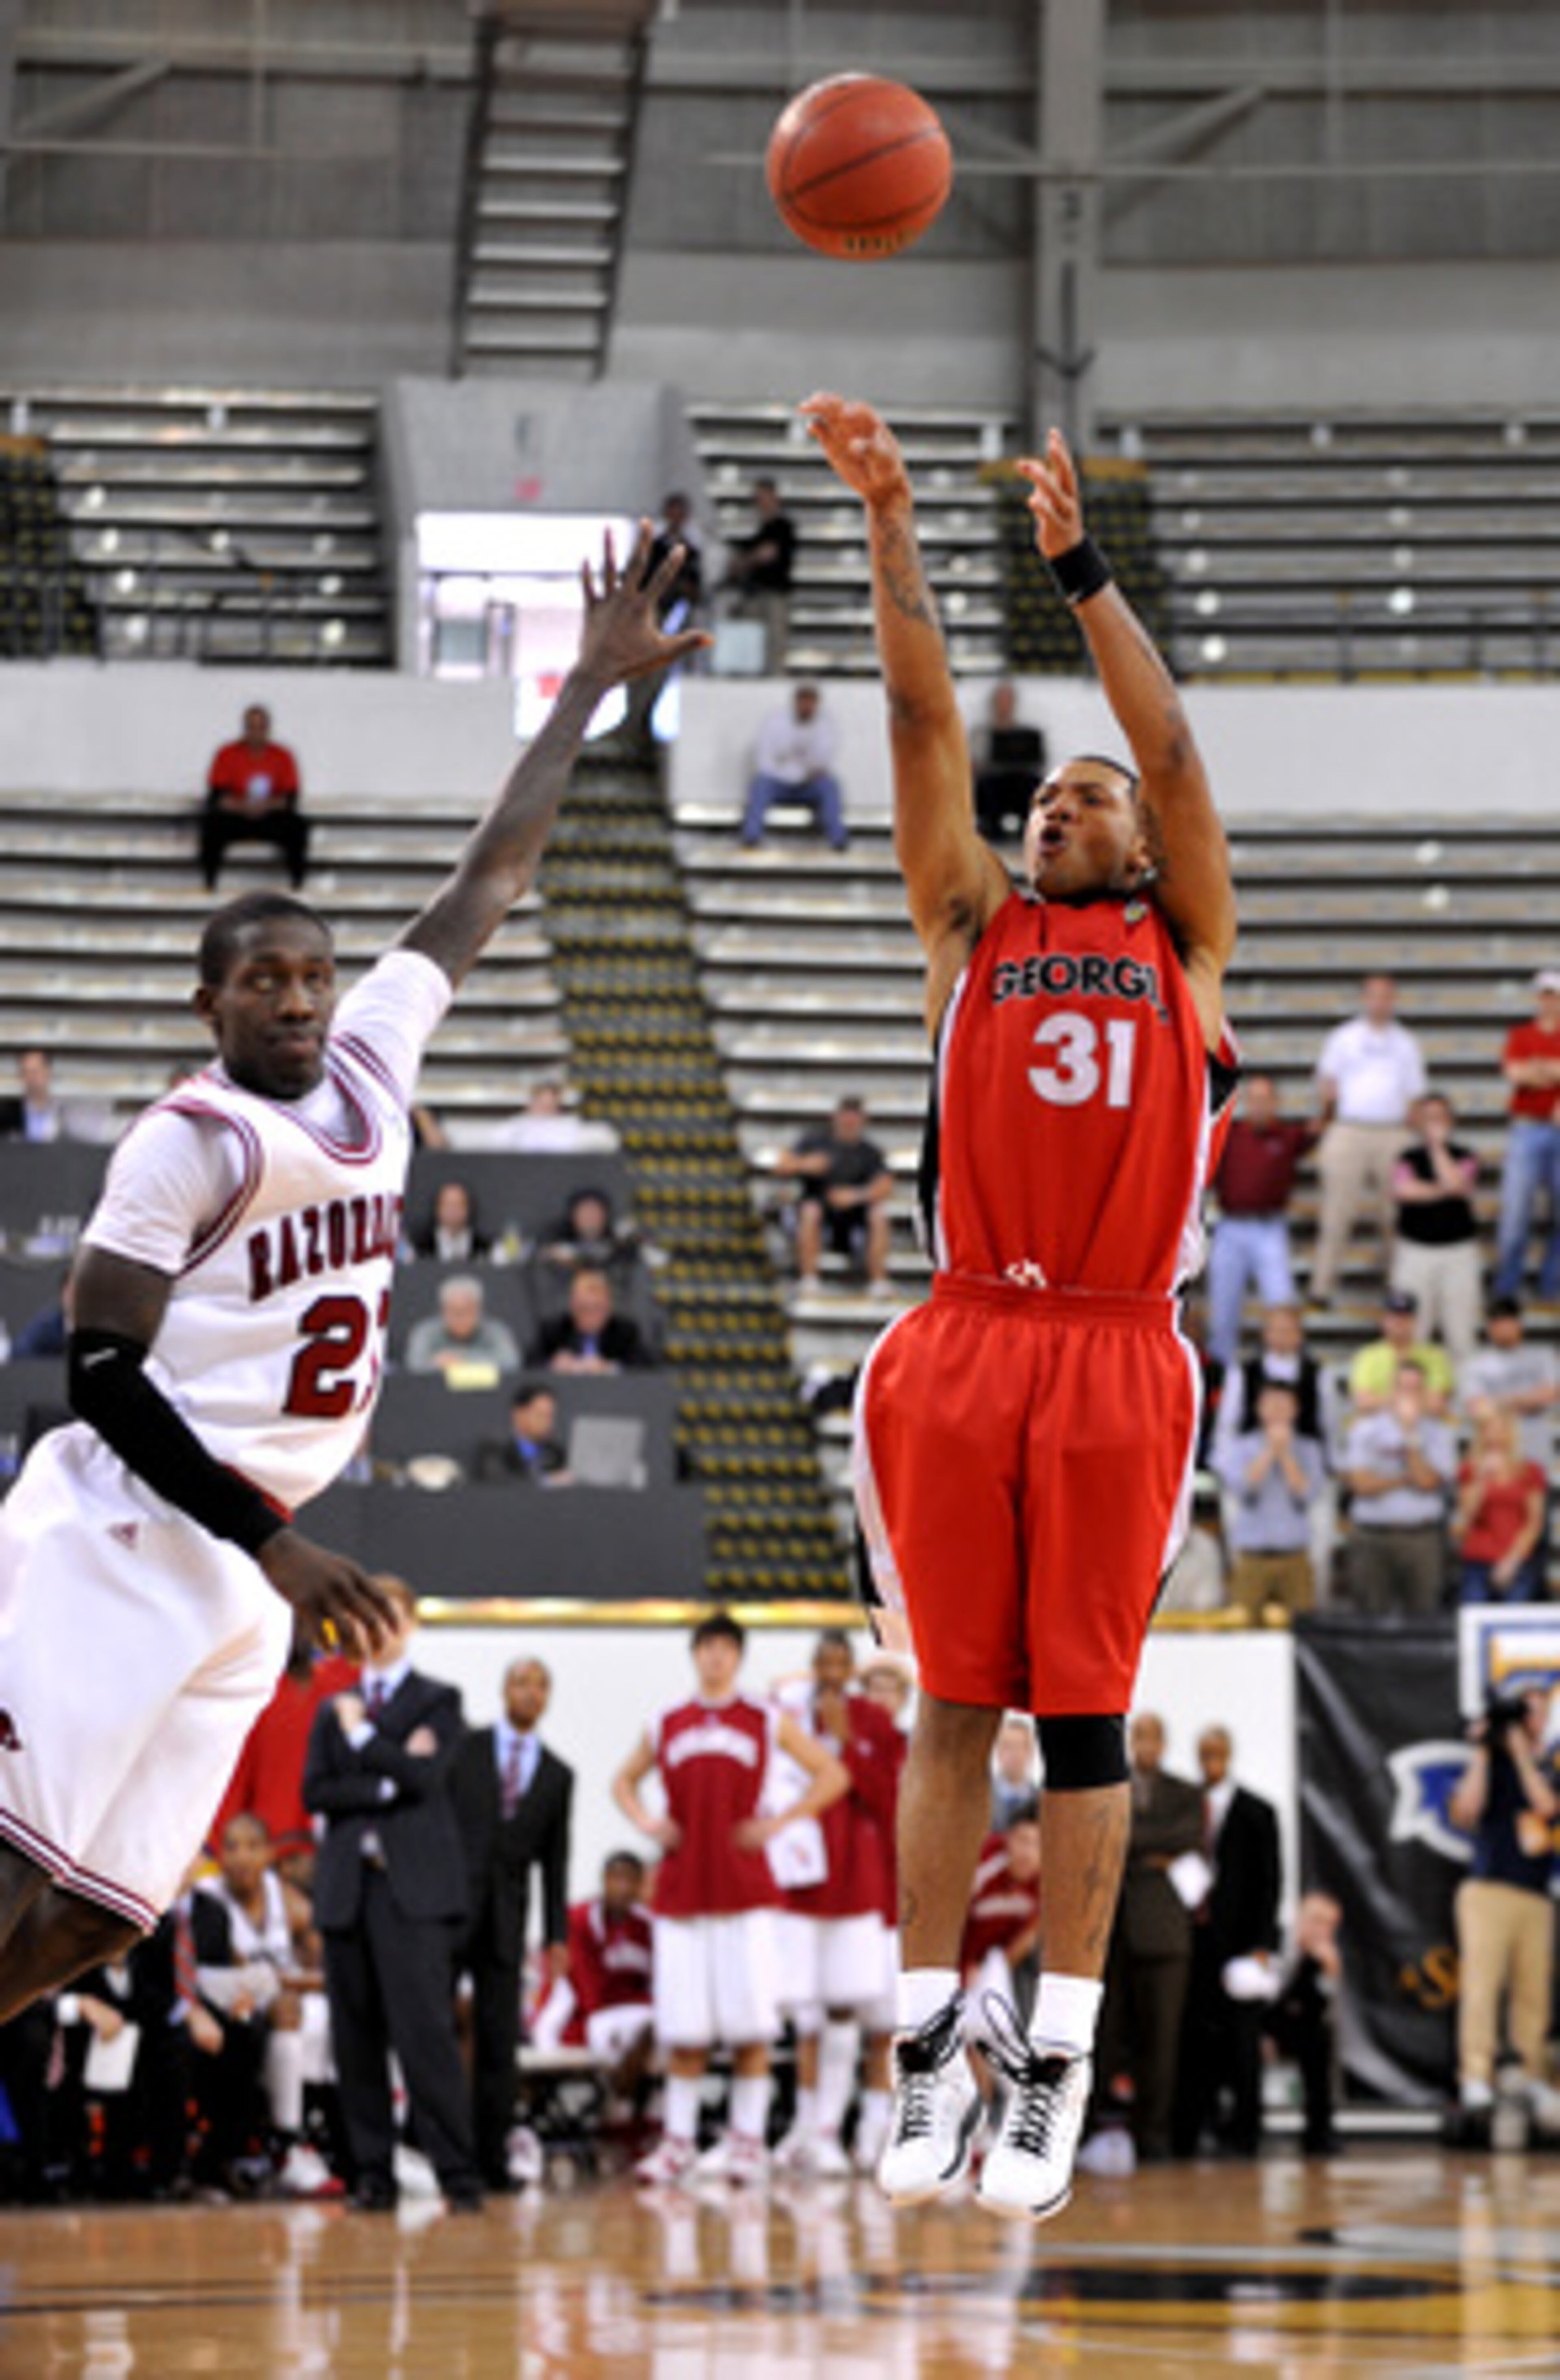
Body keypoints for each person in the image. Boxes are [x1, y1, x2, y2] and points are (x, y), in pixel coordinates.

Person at [0, 521, 703, 2027]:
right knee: (12, 1870)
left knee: (87, 1922)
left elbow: (494, 875)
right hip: (121, 1535)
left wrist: (581, 687)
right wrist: (279, 1545)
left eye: (315, 973)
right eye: (265, 979)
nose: (301, 996)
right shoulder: (186, 1142)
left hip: (246, 1569)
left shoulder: (375, 1062)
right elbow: (102, 1373)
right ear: (211, 1002)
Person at [808, 390, 1237, 2223]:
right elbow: (916, 714)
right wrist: (894, 521)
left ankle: (1050, 2064)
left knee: (1086, 1722)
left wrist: (1074, 568)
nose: (1058, 800)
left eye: (1090, 798)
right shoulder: (965, 927)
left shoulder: (1189, 946)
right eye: (1043, 792)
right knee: (950, 1709)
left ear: (1137, 849)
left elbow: (1175, 739)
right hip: (963, 1334)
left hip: (1121, 1348)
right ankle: (924, 2052)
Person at [611, 1611, 849, 2188]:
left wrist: (781, 1822)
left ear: (739, 1657)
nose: (716, 1656)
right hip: (684, 1887)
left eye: (725, 1647)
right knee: (685, 2029)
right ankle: (679, 2143)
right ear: (696, 1655)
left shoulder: (766, 1717)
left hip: (745, 1890)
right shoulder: (667, 1719)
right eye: (707, 1647)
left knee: (752, 2027)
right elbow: (623, 1780)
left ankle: (747, 2142)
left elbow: (832, 1774)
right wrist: (647, 1820)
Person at [303, 1575, 480, 2211]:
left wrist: (363, 1745)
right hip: (349, 1888)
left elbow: (428, 1777)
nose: (378, 1629)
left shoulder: (440, 1700)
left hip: (415, 1894)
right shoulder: (333, 1705)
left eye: (390, 1616)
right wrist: (385, 1780)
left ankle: (457, 2172)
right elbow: (317, 1793)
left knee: (424, 2034)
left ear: (410, 1625)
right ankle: (372, 2173)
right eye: (366, 1617)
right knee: (355, 2038)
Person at [769, 1631, 904, 2181]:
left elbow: (887, 1799)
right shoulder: (788, 1718)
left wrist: (849, 1743)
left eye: (839, 1662)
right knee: (805, 2015)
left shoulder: (875, 1722)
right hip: (801, 1883)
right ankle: (804, 2126)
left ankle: (849, 2128)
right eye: (821, 1662)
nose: (829, 1670)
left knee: (858, 2012)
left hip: (858, 1884)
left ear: (851, 1669)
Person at [448, 1655, 574, 2194]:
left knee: (501, 2043)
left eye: (540, 1684)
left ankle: (492, 2155)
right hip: (450, 1908)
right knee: (435, 2029)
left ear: (547, 1697)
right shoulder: (466, 1748)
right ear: (504, 1689)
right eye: (521, 1681)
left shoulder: (557, 1774)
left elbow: (557, 1861)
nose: (529, 1692)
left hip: (508, 1916)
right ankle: (437, 2147)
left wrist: (556, 1935)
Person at [193, 1812, 334, 2198]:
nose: (242, 1858)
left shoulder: (284, 1897)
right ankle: (286, 2141)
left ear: (271, 1854)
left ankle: (314, 2135)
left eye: (253, 1847)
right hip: (227, 1999)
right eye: (232, 1847)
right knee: (285, 2010)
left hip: (280, 1999)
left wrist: (304, 1977)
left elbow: (324, 1960)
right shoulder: (210, 1898)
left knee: (327, 2017)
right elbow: (239, 1971)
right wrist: (294, 1984)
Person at [1448, 1689, 1560, 2141]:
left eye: (1536, 1711)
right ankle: (1476, 2074)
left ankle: (1532, 2075)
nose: (1528, 1718)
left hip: (1535, 1893)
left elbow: (1546, 1806)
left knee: (1533, 1992)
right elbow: (1464, 1811)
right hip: (1487, 1889)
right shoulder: (1488, 1762)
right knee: (1481, 1984)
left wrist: (1519, 1754)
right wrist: (1481, 1751)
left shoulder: (1548, 1766)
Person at [1094, 1714, 1203, 2166]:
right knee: (1102, 2034)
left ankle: (1153, 2133)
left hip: (1163, 1932)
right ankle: (1094, 2127)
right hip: (1107, 1930)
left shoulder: (1185, 1793)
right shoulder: (1107, 1786)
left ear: (1164, 1743)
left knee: (1162, 2039)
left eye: (1153, 1737)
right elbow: (1101, 1835)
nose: (1145, 1745)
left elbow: (1188, 1834)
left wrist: (1127, 1843)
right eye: (1138, 1736)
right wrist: (1151, 1852)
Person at [1173, 1726, 1281, 2159]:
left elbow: (1271, 1881)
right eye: (1204, 1753)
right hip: (1197, 1940)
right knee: (1197, 2038)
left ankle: (1246, 2129)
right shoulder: (1186, 1807)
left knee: (1243, 2040)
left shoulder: (1258, 1811)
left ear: (1229, 1754)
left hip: (1241, 1943)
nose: (1210, 1760)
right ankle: (1200, 2125)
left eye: (1217, 1752)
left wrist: (1262, 1944)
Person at [1310, 975, 1426, 1305]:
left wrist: (1414, 1141)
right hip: (1350, 1128)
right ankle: (1322, 1286)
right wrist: (1327, 1118)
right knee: (1337, 1213)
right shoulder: (1344, 1038)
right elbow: (1327, 1084)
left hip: (1393, 1132)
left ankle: (1400, 1285)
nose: (1380, 1002)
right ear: (1364, 998)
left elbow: (1415, 1096)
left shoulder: (1406, 1043)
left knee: (1396, 1216)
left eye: (1387, 996)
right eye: (1374, 996)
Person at [210, 1628, 360, 1872]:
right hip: (268, 1852)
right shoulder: (255, 1683)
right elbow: (235, 1776)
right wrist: (228, 1850)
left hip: (343, 1846)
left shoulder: (354, 1678)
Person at [1205, 1077, 1318, 1367]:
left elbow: (1319, 1130)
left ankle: (1286, 1373)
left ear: (1276, 1104)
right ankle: (1220, 1380)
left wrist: (1329, 1103)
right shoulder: (1229, 1135)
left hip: (1270, 1228)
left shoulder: (1287, 1136)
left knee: (1281, 1301)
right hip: (1230, 1227)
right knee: (1223, 1309)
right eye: (1253, 1099)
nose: (1259, 1105)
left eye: (1265, 1099)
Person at [1341, 1359, 1457, 1614]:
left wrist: (1410, 1435)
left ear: (1425, 1394)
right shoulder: (1365, 1429)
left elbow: (1428, 1482)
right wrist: (1404, 1480)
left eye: (1415, 1389)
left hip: (1422, 1538)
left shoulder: (1440, 1432)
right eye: (1402, 1388)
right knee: (1371, 1614)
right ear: (1391, 1391)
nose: (1408, 1395)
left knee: (1424, 1615)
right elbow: (1360, 1484)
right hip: (1373, 1536)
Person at [1214, 1382, 1327, 1617]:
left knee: (1302, 1626)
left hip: (1295, 1554)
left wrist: (1285, 1454)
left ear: (1296, 1410)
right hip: (1252, 1556)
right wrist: (1269, 1451)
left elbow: (1307, 1494)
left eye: (1283, 1405)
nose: (1277, 1410)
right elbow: (1244, 1489)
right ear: (1259, 1409)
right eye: (1271, 1404)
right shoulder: (1241, 1447)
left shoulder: (1309, 1448)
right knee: (1243, 1625)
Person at [1390, 1092, 1482, 1367]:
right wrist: (1445, 1189)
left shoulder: (1465, 1155)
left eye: (1440, 1118)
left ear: (1451, 1122)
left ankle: (1463, 1403)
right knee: (1413, 1334)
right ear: (1418, 1122)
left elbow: (1458, 1183)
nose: (1434, 1124)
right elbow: (1404, 1191)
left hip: (1459, 1254)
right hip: (1414, 1252)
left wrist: (1438, 1149)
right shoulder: (1406, 1157)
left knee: (1461, 1335)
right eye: (1428, 1118)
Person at [776, 1096, 894, 1292]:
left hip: (854, 1213)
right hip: (819, 1208)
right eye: (846, 1118)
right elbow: (782, 1165)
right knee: (810, 1211)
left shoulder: (869, 1152)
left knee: (879, 1215)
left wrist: (856, 1196)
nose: (849, 1123)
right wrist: (806, 1164)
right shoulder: (815, 1142)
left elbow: (886, 1185)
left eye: (855, 1119)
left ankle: (879, 1281)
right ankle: (809, 1278)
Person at [1494, 970, 1560, 1302]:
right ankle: (1507, 1286)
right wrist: (1552, 1071)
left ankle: (1553, 1285)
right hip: (1528, 1126)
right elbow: (1515, 1073)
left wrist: (1539, 1069)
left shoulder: (1525, 1040)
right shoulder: (1520, 1034)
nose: (1550, 1001)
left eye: (1555, 995)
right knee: (1516, 1212)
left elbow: (1529, 1073)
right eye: (1546, 995)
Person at [200, 704, 310, 892]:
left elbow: (291, 798)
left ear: (268, 729)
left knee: (298, 826)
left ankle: (297, 885)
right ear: (245, 729)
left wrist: (266, 806)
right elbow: (217, 797)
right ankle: (210, 884)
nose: (256, 733)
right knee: (211, 825)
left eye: (261, 727)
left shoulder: (282, 756)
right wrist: (243, 807)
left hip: (269, 817)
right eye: (251, 727)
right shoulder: (227, 754)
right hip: (238, 817)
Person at [1266, 1890, 1342, 2157]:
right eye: (1322, 1925)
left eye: (1331, 1927)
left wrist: (1330, 1974)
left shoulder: (1322, 1957)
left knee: (1323, 2038)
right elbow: (1274, 1996)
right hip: (1268, 2022)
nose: (1326, 1933)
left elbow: (1320, 2007)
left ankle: (1320, 2129)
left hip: (1299, 2027)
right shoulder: (1281, 1945)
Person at [1212, 1301, 1335, 1461]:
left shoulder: (1319, 1374)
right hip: (1251, 1459)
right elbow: (1228, 1422)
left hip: (1304, 1460)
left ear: (1300, 1334)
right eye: (1277, 1330)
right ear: (1265, 1333)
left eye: (1288, 1330)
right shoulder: (1243, 1372)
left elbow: (1329, 1423)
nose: (1282, 1335)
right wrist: (1224, 1459)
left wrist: (1332, 1462)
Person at [1451, 1405, 1547, 1604]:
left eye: (1501, 1430)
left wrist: (1512, 1561)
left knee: (1513, 1629)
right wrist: (1481, 1478)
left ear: (1511, 1434)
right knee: (1474, 1621)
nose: (1495, 1437)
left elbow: (1534, 1523)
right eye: (1489, 1429)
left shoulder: (1530, 1471)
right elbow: (1467, 1516)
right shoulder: (1469, 1470)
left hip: (1517, 1560)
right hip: (1478, 1561)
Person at [740, 683, 847, 852]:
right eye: (804, 702)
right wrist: (791, 767)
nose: (807, 707)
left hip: (808, 785)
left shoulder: (826, 725)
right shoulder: (775, 722)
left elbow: (822, 761)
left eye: (811, 703)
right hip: (778, 782)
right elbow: (764, 758)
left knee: (830, 787)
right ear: (796, 702)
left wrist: (799, 764)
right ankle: (751, 837)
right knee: (759, 785)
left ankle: (838, 840)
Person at [1460, 1296, 1559, 1476]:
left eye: (1509, 1320)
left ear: (1519, 1323)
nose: (1504, 1326)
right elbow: (1477, 1409)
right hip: (1495, 1455)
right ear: (1489, 1327)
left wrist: (1498, 1403)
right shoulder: (1475, 1364)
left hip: (1536, 1450)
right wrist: (1528, 1400)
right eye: (1498, 1321)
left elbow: (1551, 1395)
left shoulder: (1542, 1356)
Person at [721, 477, 796, 673]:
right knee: (750, 638)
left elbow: (768, 554)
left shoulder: (783, 526)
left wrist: (745, 561)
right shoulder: (758, 529)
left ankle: (775, 677)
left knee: (775, 642)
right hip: (755, 592)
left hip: (775, 593)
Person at [1348, 1287, 1454, 1416]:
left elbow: (1436, 1404)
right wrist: (1403, 1401)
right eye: (1394, 1318)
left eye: (1406, 1318)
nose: (1400, 1323)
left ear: (1415, 1322)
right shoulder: (1368, 1356)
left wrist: (1391, 1401)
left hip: (1424, 1421)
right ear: (1384, 1321)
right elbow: (1363, 1402)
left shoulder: (1435, 1356)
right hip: (1379, 1420)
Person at [529, 1266, 650, 1373]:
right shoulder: (554, 1330)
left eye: (597, 1308)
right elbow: (530, 1366)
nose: (591, 1316)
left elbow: (646, 1369)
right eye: (584, 1308)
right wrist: (553, 1366)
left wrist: (609, 1368)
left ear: (609, 1307)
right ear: (573, 1307)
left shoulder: (625, 1332)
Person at [971, 681, 1047, 844]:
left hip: (1020, 780)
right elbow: (975, 764)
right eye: (1001, 701)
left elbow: (1038, 762)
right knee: (990, 786)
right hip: (993, 781)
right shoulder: (981, 733)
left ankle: (1028, 831)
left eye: (1008, 701)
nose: (1004, 706)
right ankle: (992, 829)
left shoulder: (1029, 734)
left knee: (1031, 784)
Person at [405, 1275, 520, 1377]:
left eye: (466, 1311)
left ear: (478, 1310)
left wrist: (461, 1361)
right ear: (443, 1311)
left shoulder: (496, 1331)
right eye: (454, 1312)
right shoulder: (426, 1332)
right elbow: (414, 1366)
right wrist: (435, 1366)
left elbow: (511, 1364)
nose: (460, 1318)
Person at [473, 1381, 570, 1485]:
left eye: (550, 1416)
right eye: (540, 1415)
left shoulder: (557, 1454)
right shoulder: (494, 1451)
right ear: (519, 1415)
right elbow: (498, 1483)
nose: (547, 1423)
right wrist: (546, 1482)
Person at [410, 1180, 490, 1264]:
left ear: (469, 1209)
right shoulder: (420, 1247)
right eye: (448, 1205)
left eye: (459, 1205)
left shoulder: (485, 1249)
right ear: (438, 1209)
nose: (453, 1211)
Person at [0, 1049, 66, 1143]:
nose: (31, 1078)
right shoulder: (6, 1116)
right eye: (25, 1072)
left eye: (36, 1071)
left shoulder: (67, 1113)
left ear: (49, 1073)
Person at [990, 1715, 1039, 1833]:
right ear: (998, 1751)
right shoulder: (982, 1798)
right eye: (1008, 1747)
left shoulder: (1042, 1801)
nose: (1015, 1754)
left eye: (1021, 1747)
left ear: (1031, 1752)